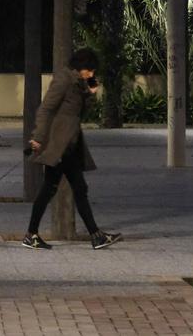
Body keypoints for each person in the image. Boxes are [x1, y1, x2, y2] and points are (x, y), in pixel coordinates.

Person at [23, 48, 122, 250]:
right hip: (59, 145)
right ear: (80, 68)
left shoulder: (79, 83)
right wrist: (38, 137)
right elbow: (46, 109)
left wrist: (90, 93)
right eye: (90, 71)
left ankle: (96, 236)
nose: (92, 75)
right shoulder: (63, 80)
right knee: (50, 188)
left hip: (71, 145)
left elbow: (81, 112)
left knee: (78, 189)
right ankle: (31, 234)